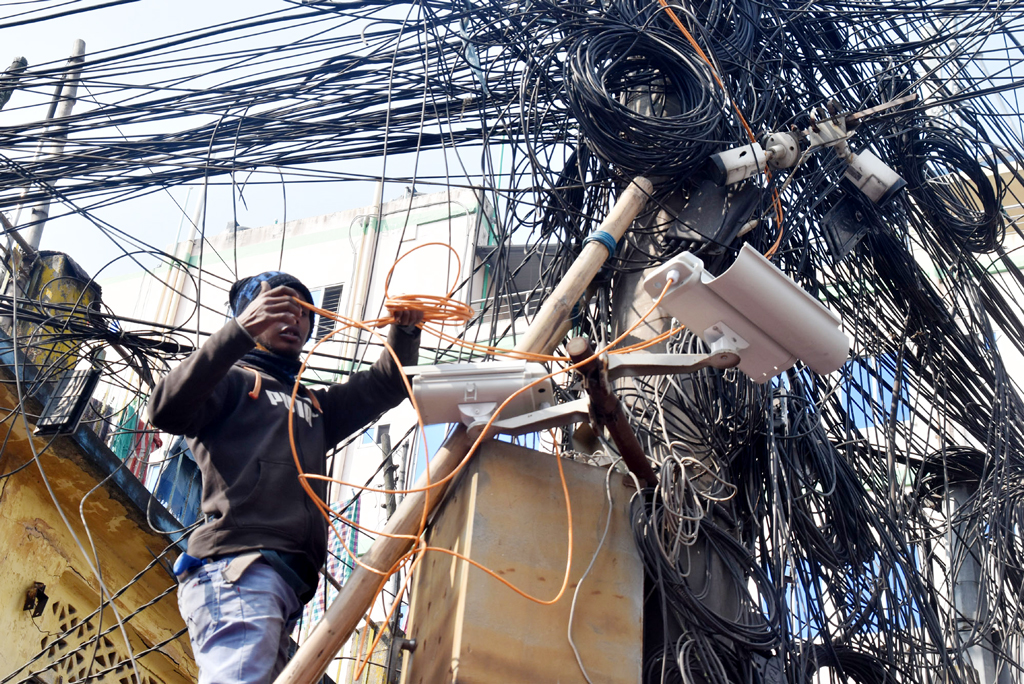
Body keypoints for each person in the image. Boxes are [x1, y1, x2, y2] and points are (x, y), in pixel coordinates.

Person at [147, 271, 422, 684]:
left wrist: (405, 329)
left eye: (303, 310)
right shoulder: (231, 382)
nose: (293, 317)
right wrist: (237, 333)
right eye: (278, 306)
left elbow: (385, 384)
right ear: (250, 315)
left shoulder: (312, 404)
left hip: (284, 583)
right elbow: (165, 409)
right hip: (240, 566)